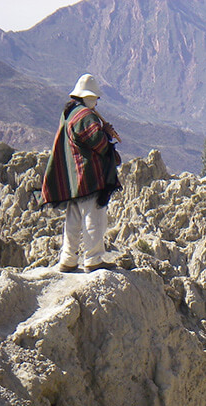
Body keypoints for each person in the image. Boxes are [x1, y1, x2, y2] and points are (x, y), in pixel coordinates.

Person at [41, 73, 122, 273]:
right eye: (95, 98)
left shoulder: (69, 113)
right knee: (94, 218)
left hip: (73, 177)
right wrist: (105, 133)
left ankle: (68, 259)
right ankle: (93, 259)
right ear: (88, 97)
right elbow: (99, 143)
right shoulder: (86, 116)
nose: (96, 102)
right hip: (89, 177)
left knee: (73, 218)